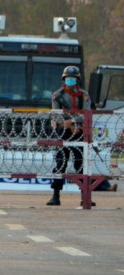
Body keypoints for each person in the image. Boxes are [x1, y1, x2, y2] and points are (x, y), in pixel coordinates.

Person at [46, 66, 92, 206]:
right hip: (63, 131)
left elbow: (87, 112)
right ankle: (56, 195)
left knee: (80, 163)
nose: (70, 81)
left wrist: (73, 123)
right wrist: (68, 124)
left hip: (79, 131)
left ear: (78, 80)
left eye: (73, 79)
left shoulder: (84, 95)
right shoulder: (57, 95)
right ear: (64, 79)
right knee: (61, 163)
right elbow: (55, 115)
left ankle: (85, 196)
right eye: (67, 79)